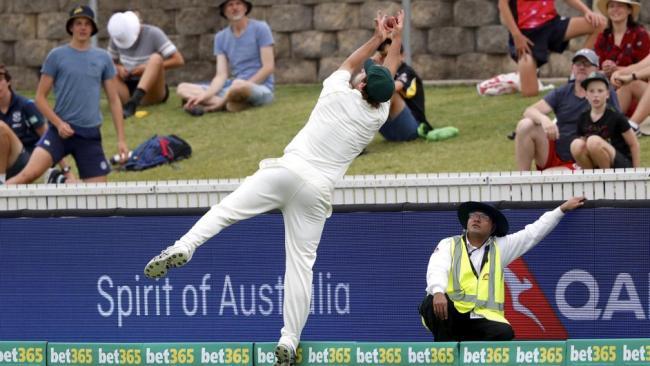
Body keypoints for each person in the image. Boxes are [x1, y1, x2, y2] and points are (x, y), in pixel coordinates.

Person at [144, 10, 403, 366]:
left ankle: (184, 246)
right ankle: (289, 338)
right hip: (316, 192)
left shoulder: (334, 93)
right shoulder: (377, 115)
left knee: (224, 212)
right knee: (300, 267)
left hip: (287, 169)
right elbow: (380, 79)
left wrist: (379, 37)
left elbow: (353, 63)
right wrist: (393, 42)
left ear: (360, 85)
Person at [419, 197, 586, 341]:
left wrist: (561, 210)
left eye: (483, 217)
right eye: (473, 216)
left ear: (492, 228)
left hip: (481, 318)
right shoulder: (449, 243)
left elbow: (532, 234)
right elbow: (437, 267)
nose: (476, 219)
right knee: (431, 303)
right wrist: (438, 291)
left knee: (503, 333)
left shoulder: (501, 247)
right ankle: (445, 356)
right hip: (451, 315)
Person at [6, 5, 128, 185]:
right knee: (27, 176)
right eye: (78, 23)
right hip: (59, 133)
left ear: (93, 28)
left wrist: (121, 140)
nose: (83, 27)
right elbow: (40, 97)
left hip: (89, 135)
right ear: (71, 27)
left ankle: (64, 185)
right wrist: (59, 124)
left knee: (98, 197)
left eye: (87, 24)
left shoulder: (103, 58)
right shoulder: (57, 56)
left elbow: (114, 100)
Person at [514, 49, 621, 171]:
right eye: (578, 64)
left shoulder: (605, 93)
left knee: (547, 178)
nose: (582, 67)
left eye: (587, 64)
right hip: (555, 151)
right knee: (525, 125)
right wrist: (544, 119)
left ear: (596, 69)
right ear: (572, 68)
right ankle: (522, 181)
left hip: (582, 159)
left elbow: (619, 127)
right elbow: (529, 111)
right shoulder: (562, 92)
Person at [177, 0, 275, 116]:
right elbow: (221, 75)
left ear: (245, 8)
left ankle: (217, 105)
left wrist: (244, 85)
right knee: (182, 88)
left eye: (238, 3)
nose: (234, 8)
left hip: (259, 88)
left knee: (238, 86)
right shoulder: (220, 37)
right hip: (232, 87)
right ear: (224, 11)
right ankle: (230, 103)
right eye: (230, 5)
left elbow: (268, 67)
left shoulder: (261, 28)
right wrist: (206, 95)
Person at [498, 0, 607, 97]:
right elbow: (502, 4)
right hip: (526, 35)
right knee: (529, 93)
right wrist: (516, 35)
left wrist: (587, 11)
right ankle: (519, 78)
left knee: (599, 23)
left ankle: (578, 71)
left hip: (552, 24)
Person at [0, 65, 76, 184]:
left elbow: (48, 137)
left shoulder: (25, 105)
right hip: (5, 162)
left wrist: (66, 170)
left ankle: (1, 182)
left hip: (27, 160)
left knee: (1, 128)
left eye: (0, 80)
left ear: (8, 81)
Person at [107, 10, 185, 119]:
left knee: (156, 59)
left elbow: (178, 60)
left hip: (151, 90)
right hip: (127, 86)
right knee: (104, 65)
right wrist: (118, 68)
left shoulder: (154, 33)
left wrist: (147, 68)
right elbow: (109, 62)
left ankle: (134, 102)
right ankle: (127, 102)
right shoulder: (117, 36)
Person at [570, 71, 639, 168]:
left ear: (607, 94)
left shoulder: (616, 116)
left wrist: (636, 172)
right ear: (586, 95)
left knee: (593, 141)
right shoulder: (583, 117)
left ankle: (606, 179)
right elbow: (582, 144)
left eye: (600, 91)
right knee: (576, 145)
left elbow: (634, 144)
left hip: (620, 164)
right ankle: (592, 179)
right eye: (591, 91)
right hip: (597, 161)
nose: (595, 95)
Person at [372, 39, 432, 141]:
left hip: (412, 129)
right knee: (362, 88)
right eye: (383, 55)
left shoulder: (407, 71)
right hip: (390, 133)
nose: (387, 59)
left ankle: (361, 133)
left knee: (389, 93)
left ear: (402, 55)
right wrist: (372, 64)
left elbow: (393, 87)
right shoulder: (382, 73)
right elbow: (358, 82)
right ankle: (357, 134)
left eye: (391, 54)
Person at [594, 0, 648, 79]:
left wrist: (616, 69)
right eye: (611, 6)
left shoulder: (640, 35)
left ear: (629, 10)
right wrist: (605, 68)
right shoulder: (602, 37)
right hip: (604, 84)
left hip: (633, 83)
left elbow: (645, 68)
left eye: (620, 6)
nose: (615, 9)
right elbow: (594, 67)